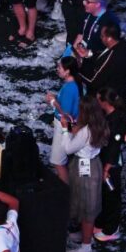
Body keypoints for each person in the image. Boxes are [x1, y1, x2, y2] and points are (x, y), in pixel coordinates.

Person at [60, 95, 108, 252]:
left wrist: (66, 130)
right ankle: (84, 235)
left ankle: (86, 247)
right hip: (94, 163)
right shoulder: (100, 124)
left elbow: (68, 149)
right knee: (88, 203)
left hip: (83, 168)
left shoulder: (85, 132)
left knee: (87, 206)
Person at [94, 88, 126, 243]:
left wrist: (106, 169)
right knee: (105, 194)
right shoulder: (114, 116)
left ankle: (112, 228)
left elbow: (114, 149)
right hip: (105, 161)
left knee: (112, 195)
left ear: (105, 103)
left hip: (111, 166)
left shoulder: (116, 121)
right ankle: (102, 222)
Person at [46, 56, 81, 184]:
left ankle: (66, 191)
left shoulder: (69, 88)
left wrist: (53, 102)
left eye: (60, 67)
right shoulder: (73, 85)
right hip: (65, 127)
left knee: (58, 162)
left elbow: (65, 114)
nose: (58, 69)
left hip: (63, 127)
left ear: (67, 71)